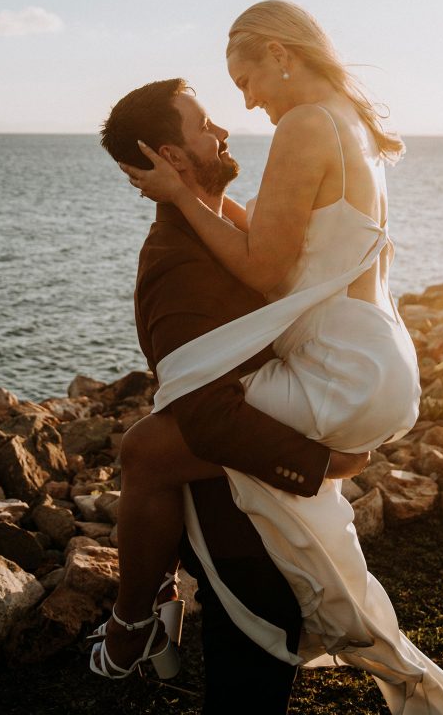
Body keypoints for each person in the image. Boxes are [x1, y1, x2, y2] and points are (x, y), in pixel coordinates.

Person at [108, 0, 443, 713]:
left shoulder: (304, 125)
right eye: (226, 99)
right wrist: (191, 198)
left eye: (245, 78)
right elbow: (267, 234)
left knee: (149, 448)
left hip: (344, 367)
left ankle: (134, 617)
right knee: (178, 447)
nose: (247, 102)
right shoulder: (340, 120)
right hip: (369, 355)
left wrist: (179, 196)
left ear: (277, 52)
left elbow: (264, 271)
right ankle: (154, 607)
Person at [97, 76, 369, 714]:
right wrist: (323, 462)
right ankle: (137, 620)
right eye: (203, 125)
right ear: (172, 157)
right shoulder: (176, 259)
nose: (221, 132)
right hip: (242, 534)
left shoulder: (232, 227)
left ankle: (146, 618)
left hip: (268, 516)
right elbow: (203, 415)